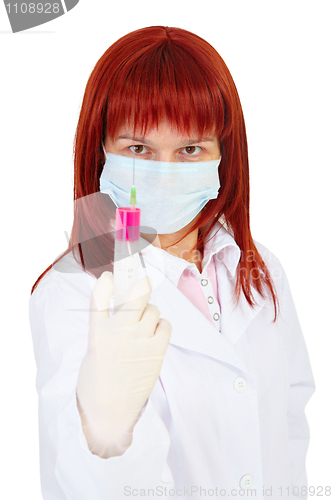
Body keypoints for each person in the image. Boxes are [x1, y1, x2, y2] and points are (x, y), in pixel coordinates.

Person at [29, 26, 316, 500]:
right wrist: (106, 431)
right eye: (138, 149)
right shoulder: (75, 289)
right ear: (100, 150)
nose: (164, 172)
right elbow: (85, 488)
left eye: (189, 150)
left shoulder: (262, 270)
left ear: (224, 153)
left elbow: (289, 425)